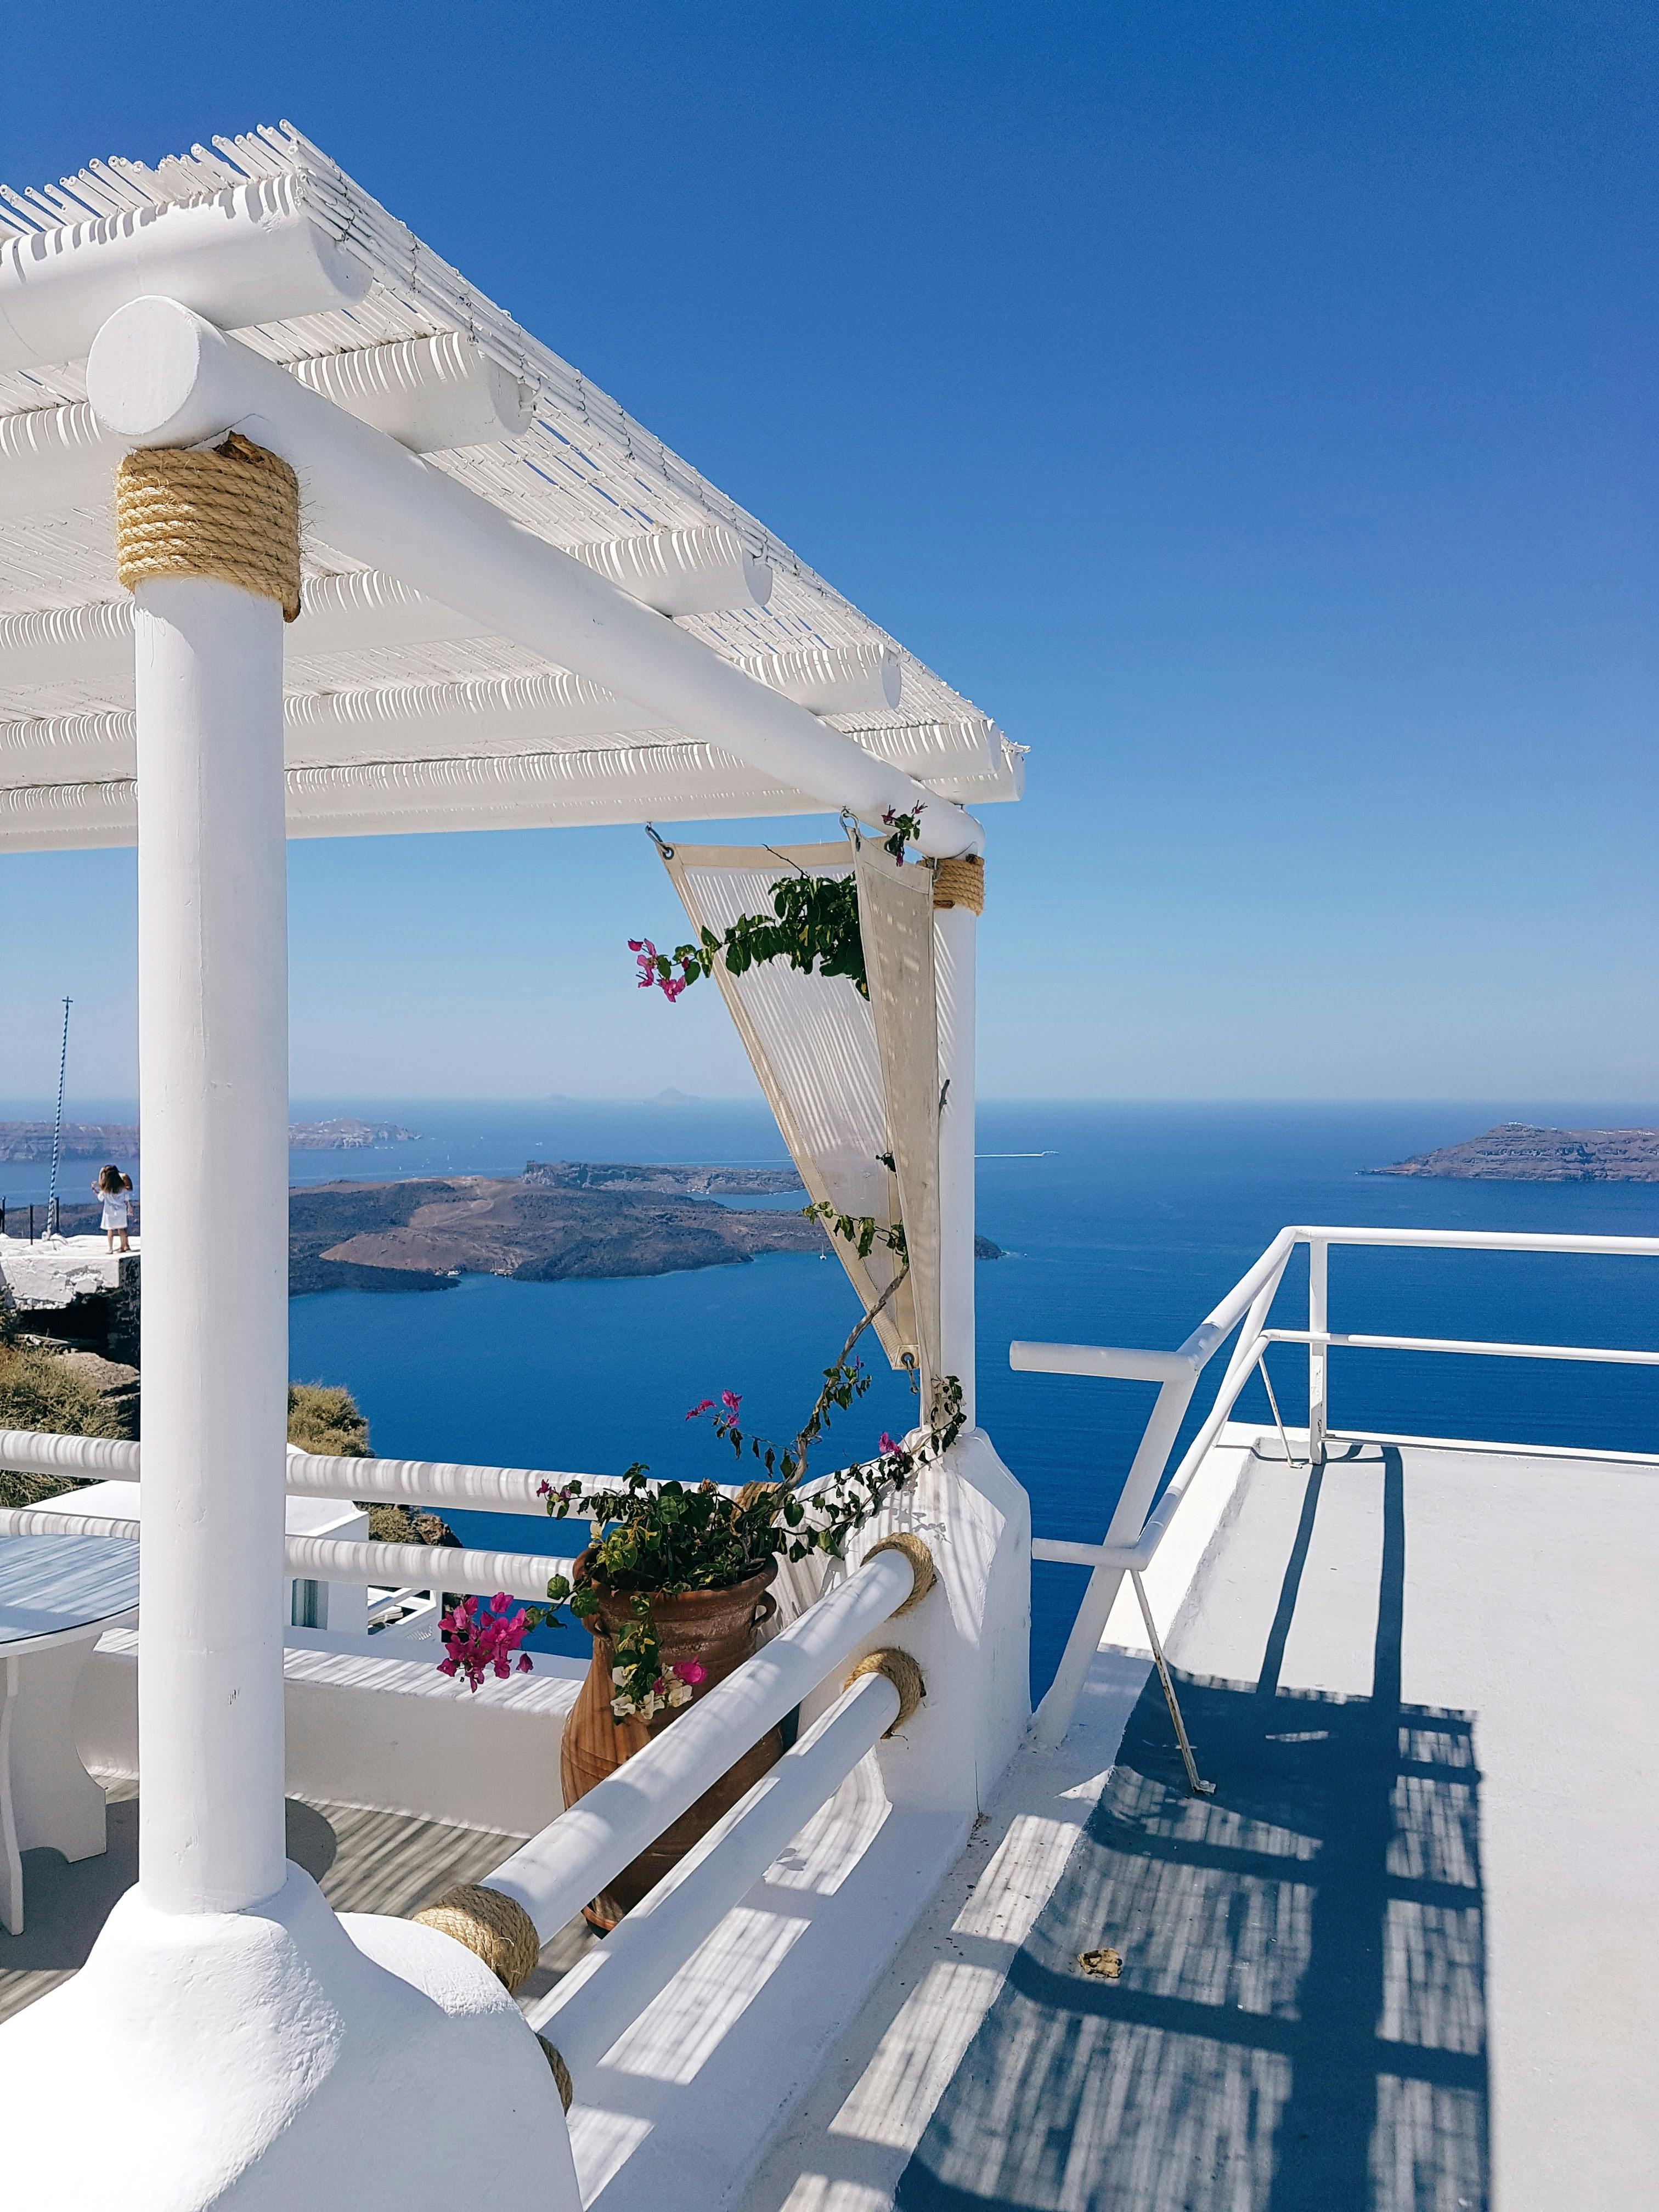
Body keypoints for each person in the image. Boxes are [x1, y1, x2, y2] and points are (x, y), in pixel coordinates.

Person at [94, 1164, 136, 1254]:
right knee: (122, 1229)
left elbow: (100, 1196)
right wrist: (129, 1207)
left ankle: (110, 1249)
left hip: (109, 1212)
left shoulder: (106, 1190)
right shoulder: (122, 1188)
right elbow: (127, 1198)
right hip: (121, 1211)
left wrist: (100, 1175)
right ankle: (125, 1246)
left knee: (110, 1230)